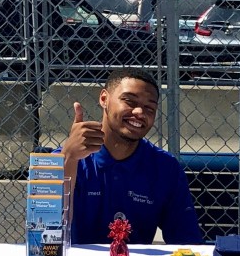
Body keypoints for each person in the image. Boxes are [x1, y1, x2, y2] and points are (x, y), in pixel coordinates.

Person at [60, 68, 202, 245]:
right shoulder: (66, 158)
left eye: (150, 108)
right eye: (129, 101)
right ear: (104, 99)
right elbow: (47, 233)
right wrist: (68, 158)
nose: (139, 112)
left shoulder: (165, 167)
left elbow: (187, 242)